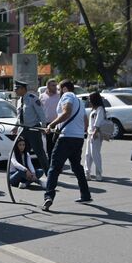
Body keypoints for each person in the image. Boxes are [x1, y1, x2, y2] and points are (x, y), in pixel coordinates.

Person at [43, 79, 91, 211]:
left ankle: (48, 196)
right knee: (76, 167)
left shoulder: (67, 96)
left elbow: (67, 112)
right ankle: (85, 194)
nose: (58, 92)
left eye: (59, 89)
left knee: (54, 167)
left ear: (64, 88)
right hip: (78, 138)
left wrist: (51, 125)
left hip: (66, 138)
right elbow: (85, 122)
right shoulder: (79, 102)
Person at [11, 80, 49, 174]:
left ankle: (49, 174)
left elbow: (41, 114)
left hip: (33, 129)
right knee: (22, 153)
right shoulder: (19, 100)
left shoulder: (33, 98)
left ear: (23, 89)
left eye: (17, 89)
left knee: (39, 153)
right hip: (23, 130)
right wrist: (16, 126)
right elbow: (19, 116)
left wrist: (43, 127)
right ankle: (23, 174)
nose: (15, 91)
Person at [84, 92, 106, 181]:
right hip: (90, 134)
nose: (89, 100)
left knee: (95, 154)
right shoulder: (94, 109)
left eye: (90, 98)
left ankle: (99, 173)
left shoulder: (100, 109)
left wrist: (95, 132)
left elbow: (98, 122)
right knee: (88, 154)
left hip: (96, 134)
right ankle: (87, 172)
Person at [39, 78, 60, 161]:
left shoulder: (59, 95)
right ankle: (51, 161)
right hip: (47, 124)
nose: (55, 87)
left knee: (57, 143)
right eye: (53, 85)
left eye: (56, 85)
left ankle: (57, 161)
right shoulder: (42, 96)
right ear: (48, 86)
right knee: (49, 144)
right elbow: (39, 110)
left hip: (58, 123)